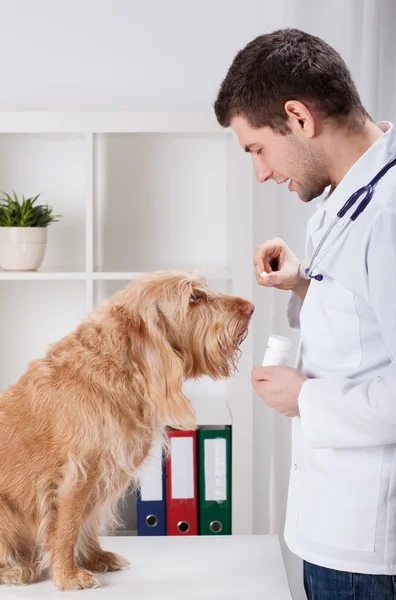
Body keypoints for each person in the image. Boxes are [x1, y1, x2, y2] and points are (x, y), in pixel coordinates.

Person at [214, 28, 396, 600]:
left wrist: (305, 399)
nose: (261, 172)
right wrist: (306, 283)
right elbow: (370, 325)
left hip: (370, 554)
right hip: (331, 532)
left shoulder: (388, 216)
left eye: (256, 149)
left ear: (297, 117)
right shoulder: (349, 196)